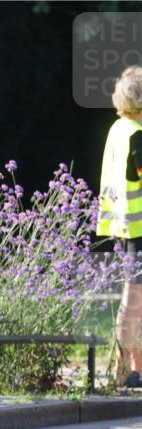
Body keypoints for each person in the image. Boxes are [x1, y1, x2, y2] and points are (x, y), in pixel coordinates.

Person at [98, 65, 142, 388]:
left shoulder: (118, 129)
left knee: (135, 301)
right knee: (134, 301)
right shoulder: (137, 135)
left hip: (125, 223)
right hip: (139, 228)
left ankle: (131, 368)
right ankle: (121, 370)